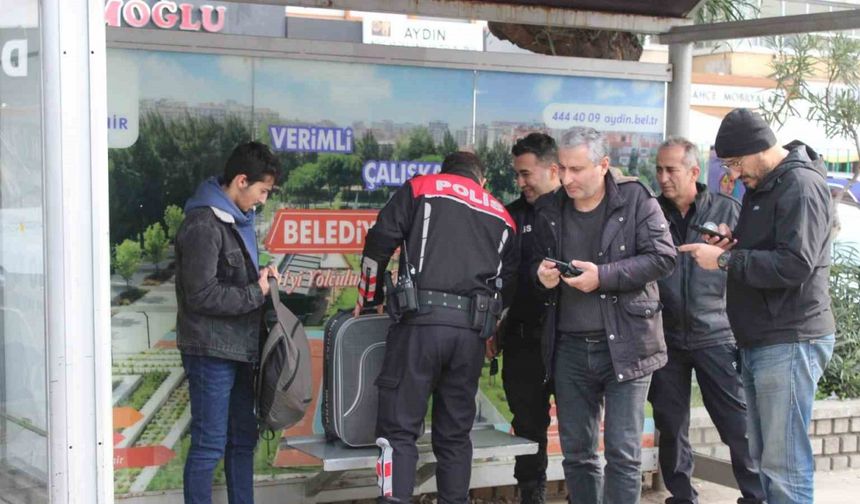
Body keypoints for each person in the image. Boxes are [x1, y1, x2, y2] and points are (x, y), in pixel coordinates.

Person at [681, 108, 835, 504]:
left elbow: (795, 264)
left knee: (784, 465)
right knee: (766, 459)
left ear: (757, 149)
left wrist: (725, 261)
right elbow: (772, 249)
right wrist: (733, 243)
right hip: (762, 336)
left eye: (734, 163)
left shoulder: (799, 185)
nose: (733, 174)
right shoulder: (765, 186)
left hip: (789, 336)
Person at [355, 151, 517, 504]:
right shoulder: (502, 215)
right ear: (482, 180)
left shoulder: (420, 188)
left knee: (398, 433)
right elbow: (509, 284)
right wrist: (487, 328)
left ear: (445, 172)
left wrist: (369, 297)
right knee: (456, 436)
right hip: (470, 335)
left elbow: (379, 240)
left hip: (419, 326)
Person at [534, 127, 675, 504]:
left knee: (623, 454)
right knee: (577, 454)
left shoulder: (635, 199)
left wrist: (604, 277)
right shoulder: (550, 208)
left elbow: (664, 256)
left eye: (578, 169)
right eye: (562, 168)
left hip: (627, 345)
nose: (567, 178)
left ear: (604, 165)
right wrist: (542, 277)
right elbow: (531, 265)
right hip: (569, 348)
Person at [651, 137, 764, 504]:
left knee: (737, 425)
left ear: (694, 172)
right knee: (670, 425)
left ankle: (755, 496)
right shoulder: (649, 213)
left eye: (672, 169)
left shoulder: (729, 210)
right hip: (664, 336)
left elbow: (750, 266)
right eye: (659, 169)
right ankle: (682, 496)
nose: (663, 177)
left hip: (716, 333)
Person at [174, 141, 280, 504]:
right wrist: (256, 292)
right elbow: (200, 294)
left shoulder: (235, 221)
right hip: (211, 352)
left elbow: (232, 280)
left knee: (242, 441)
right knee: (208, 445)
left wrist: (262, 278)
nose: (263, 200)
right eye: (262, 191)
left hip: (238, 351)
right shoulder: (204, 223)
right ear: (240, 181)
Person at [491, 133, 561, 504]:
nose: (520, 182)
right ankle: (531, 497)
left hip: (569, 343)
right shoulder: (509, 216)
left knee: (581, 433)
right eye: (517, 174)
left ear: (553, 169)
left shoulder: (577, 210)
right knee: (528, 430)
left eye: (526, 173)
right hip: (521, 343)